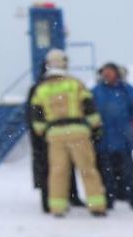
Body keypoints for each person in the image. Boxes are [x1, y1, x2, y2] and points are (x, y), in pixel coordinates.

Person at [28, 49, 107, 217]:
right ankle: (96, 206)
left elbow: (36, 114)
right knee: (87, 169)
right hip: (78, 130)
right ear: (64, 63)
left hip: (55, 134)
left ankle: (57, 207)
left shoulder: (41, 89)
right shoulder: (75, 83)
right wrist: (96, 127)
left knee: (58, 171)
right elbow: (89, 106)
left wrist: (43, 131)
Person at [92, 62, 133, 210]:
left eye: (110, 71)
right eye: (104, 72)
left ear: (116, 73)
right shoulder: (96, 91)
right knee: (106, 172)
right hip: (103, 139)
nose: (107, 74)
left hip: (123, 138)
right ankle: (109, 199)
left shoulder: (126, 90)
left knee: (127, 170)